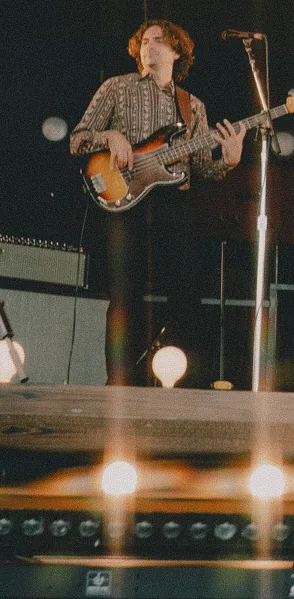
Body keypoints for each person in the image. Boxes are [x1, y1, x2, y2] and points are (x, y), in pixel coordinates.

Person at [70, 21, 245, 386]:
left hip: (172, 205)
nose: (149, 47)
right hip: (122, 199)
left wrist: (227, 161)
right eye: (144, 42)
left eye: (159, 41)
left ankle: (180, 383)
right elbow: (78, 140)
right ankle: (119, 385)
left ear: (177, 51)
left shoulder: (192, 105)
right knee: (124, 296)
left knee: (185, 297)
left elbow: (198, 168)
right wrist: (111, 136)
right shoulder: (116, 87)